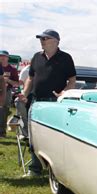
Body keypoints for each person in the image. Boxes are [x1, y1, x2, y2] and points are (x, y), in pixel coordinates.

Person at [18, 29, 76, 177]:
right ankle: (35, 169)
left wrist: (63, 93)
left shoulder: (66, 58)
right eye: (41, 38)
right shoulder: (36, 57)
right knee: (34, 136)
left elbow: (72, 81)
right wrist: (24, 94)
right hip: (36, 102)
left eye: (45, 38)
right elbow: (30, 78)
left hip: (55, 104)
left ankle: (55, 171)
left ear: (56, 41)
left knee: (54, 138)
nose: (42, 41)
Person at [0, 50, 19, 137]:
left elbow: (16, 83)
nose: (2, 58)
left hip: (6, 91)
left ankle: (2, 131)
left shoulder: (12, 69)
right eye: (0, 56)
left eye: (4, 56)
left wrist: (7, 80)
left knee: (4, 111)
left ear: (8, 58)